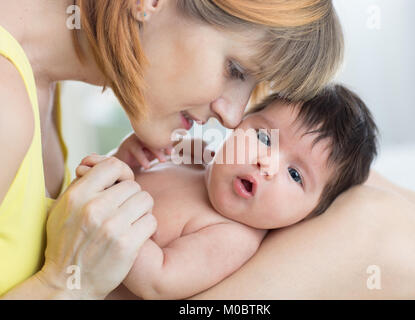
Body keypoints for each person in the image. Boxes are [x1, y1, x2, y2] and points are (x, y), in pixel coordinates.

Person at [0, 0, 342, 298]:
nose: (233, 116)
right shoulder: (6, 109)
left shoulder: (39, 83)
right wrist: (65, 283)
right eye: (235, 70)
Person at [76, 84, 378, 300]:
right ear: (239, 124)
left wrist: (114, 205)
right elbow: (122, 171)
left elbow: (157, 282)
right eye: (264, 137)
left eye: (295, 174)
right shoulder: (194, 153)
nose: (266, 162)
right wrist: (126, 157)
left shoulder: (232, 236)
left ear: (307, 214)